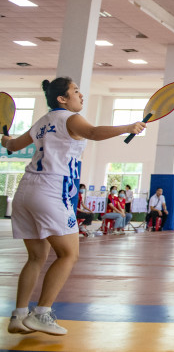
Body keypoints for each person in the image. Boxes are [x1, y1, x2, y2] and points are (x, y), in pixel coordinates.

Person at [2, 76, 144, 335]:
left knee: (36, 257)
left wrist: (5, 139)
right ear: (62, 99)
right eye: (76, 91)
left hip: (25, 191)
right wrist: (127, 127)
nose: (81, 95)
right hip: (52, 190)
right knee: (69, 254)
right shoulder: (68, 118)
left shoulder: (42, 122)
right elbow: (92, 132)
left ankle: (19, 315)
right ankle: (41, 313)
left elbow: (12, 145)